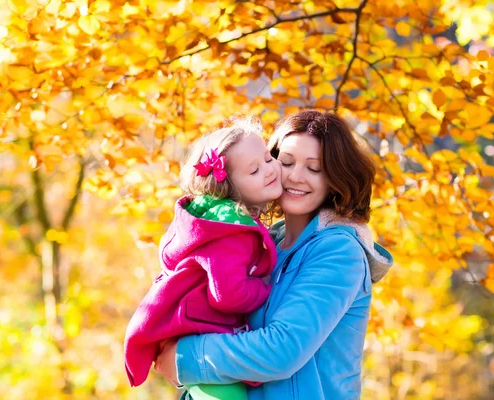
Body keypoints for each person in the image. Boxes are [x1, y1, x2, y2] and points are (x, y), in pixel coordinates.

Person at [154, 110, 394, 400]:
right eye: (287, 162)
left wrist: (186, 357)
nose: (295, 176)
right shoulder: (262, 244)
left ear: (334, 178)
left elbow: (282, 350)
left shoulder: (339, 252)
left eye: (314, 169)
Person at [123, 118, 283, 400]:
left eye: (269, 158)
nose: (270, 170)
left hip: (194, 332)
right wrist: (268, 289)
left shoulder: (214, 220)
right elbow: (229, 294)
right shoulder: (232, 232)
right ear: (229, 188)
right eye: (255, 170)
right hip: (202, 339)